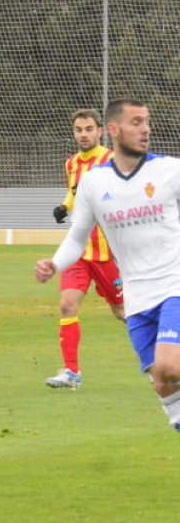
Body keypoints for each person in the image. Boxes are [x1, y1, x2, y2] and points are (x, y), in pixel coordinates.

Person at [36, 98, 180, 432]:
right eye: (135, 122)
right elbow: (76, 237)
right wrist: (54, 263)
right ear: (114, 130)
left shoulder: (170, 170)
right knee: (161, 382)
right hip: (137, 296)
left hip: (174, 284)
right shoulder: (93, 182)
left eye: (146, 121)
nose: (145, 128)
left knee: (170, 368)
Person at [42, 109, 125, 389]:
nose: (84, 134)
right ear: (74, 132)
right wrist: (64, 206)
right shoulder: (72, 163)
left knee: (124, 313)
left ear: (99, 131)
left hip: (108, 254)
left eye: (89, 128)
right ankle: (71, 372)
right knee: (67, 305)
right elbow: (74, 192)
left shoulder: (112, 160)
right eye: (79, 129)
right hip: (78, 251)